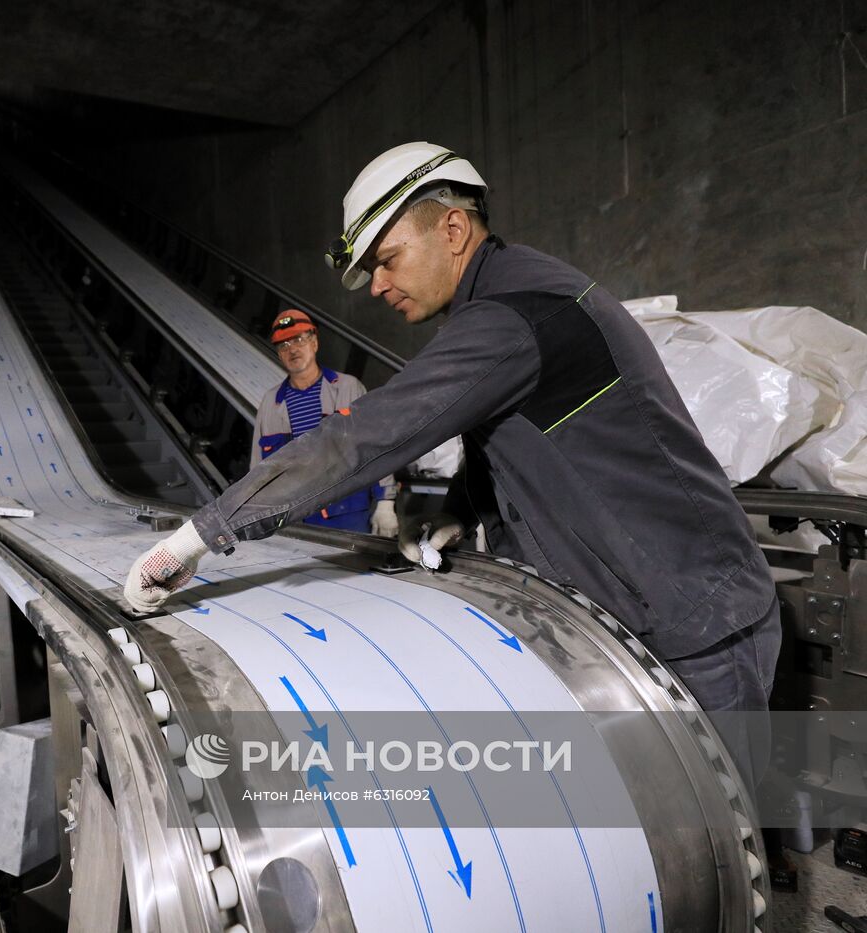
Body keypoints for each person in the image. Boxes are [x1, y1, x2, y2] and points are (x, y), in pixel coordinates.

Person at [123, 141, 780, 788]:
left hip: (696, 628)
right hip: (651, 612)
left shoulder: (514, 317)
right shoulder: (514, 295)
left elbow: (362, 438)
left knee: (720, 856)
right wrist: (461, 510)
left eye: (387, 260)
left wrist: (200, 536)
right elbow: (525, 431)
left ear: (454, 228)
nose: (377, 286)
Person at [255, 309, 398, 536]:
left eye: (299, 339)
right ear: (279, 354)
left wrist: (385, 502)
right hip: (294, 518)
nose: (292, 349)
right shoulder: (270, 404)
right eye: (283, 345)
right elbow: (258, 470)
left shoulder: (348, 388)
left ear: (314, 343)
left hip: (346, 514)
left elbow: (375, 445)